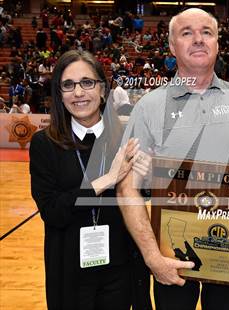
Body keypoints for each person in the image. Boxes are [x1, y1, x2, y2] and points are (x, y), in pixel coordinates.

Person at [117, 8, 229, 310]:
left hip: (228, 250)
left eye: (207, 32)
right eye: (186, 33)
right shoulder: (149, 106)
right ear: (172, 47)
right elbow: (127, 189)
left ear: (217, 43)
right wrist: (152, 257)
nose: (198, 39)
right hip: (171, 255)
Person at [30, 50, 150, 309]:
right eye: (68, 85)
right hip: (71, 270)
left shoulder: (127, 138)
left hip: (121, 268)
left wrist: (146, 174)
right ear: (59, 95)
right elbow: (53, 212)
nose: (78, 92)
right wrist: (105, 180)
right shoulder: (44, 144)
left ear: (103, 90)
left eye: (87, 82)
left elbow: (143, 198)